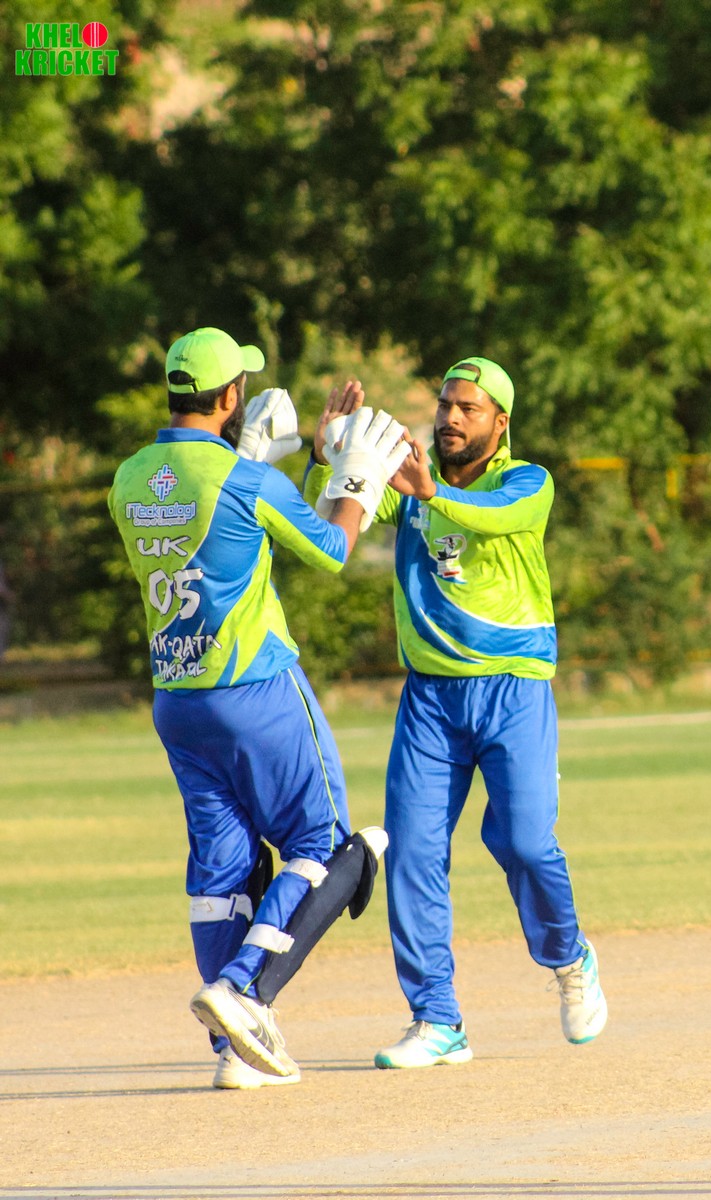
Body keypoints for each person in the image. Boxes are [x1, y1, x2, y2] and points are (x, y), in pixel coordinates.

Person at [108, 326, 408, 1089]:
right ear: (232, 394)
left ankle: (232, 1054)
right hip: (257, 690)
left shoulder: (128, 479)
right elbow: (329, 548)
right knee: (327, 844)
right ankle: (243, 991)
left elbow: (234, 534)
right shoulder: (245, 480)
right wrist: (357, 479)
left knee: (223, 873)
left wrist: (300, 465)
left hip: (179, 699)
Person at [304, 355, 607, 1068]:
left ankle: (569, 958)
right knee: (412, 853)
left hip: (512, 689)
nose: (451, 417)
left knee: (524, 842)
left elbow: (495, 518)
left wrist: (430, 492)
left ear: (500, 423)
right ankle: (436, 1018)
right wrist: (330, 458)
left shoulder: (525, 481)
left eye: (469, 408)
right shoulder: (407, 481)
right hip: (431, 699)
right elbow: (332, 520)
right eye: (445, 405)